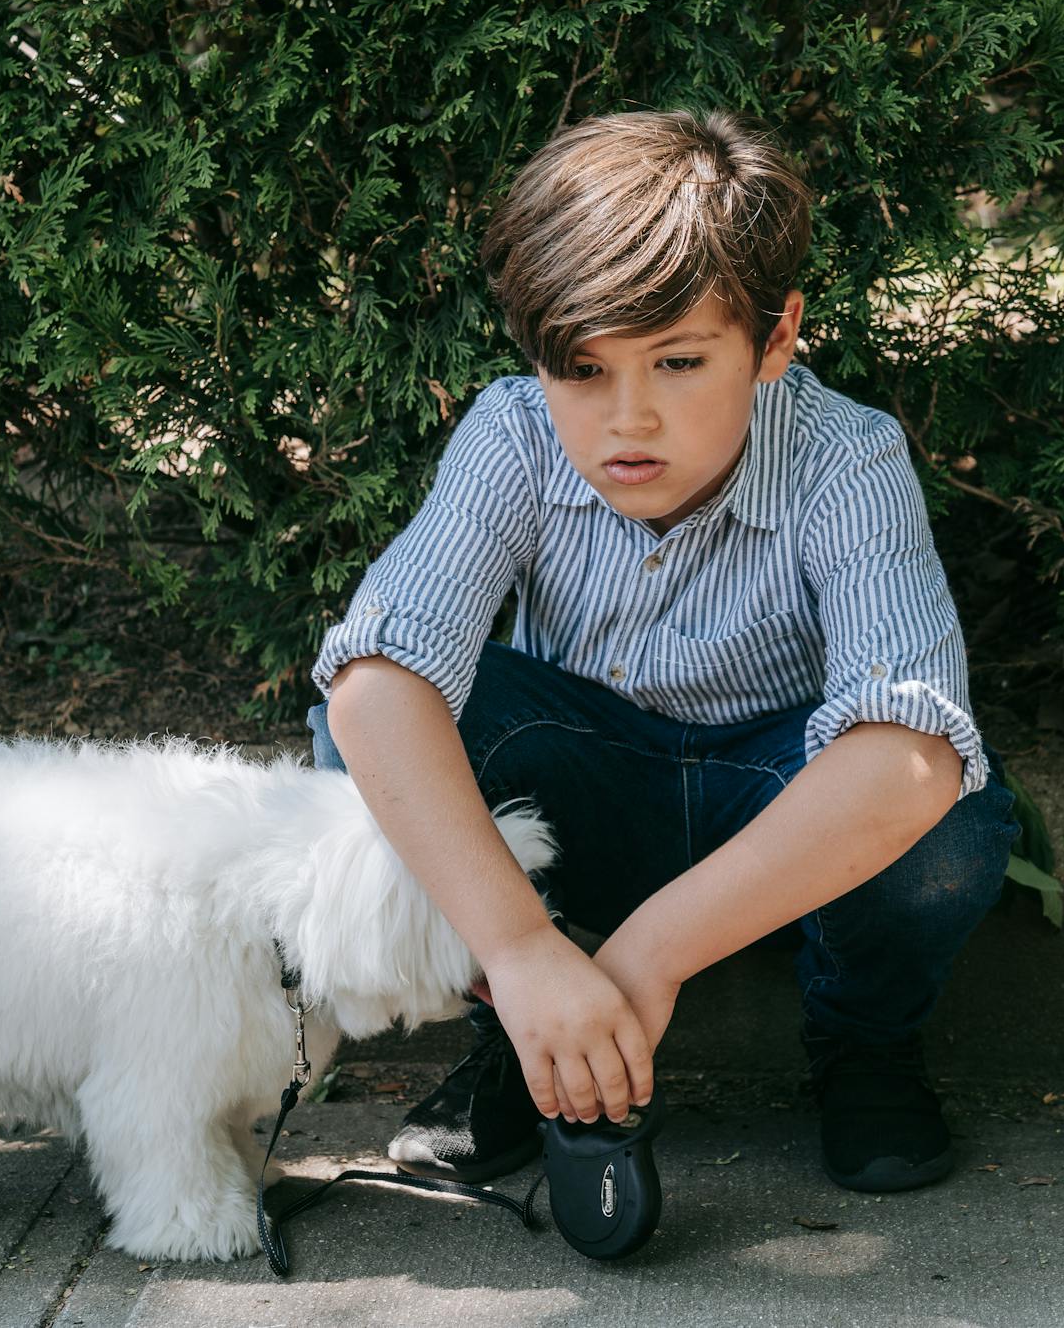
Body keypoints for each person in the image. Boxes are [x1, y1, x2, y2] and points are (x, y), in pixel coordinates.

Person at [305, 107, 1021, 1194]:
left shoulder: (849, 458)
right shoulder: (511, 433)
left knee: (949, 805)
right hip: (583, 795)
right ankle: (527, 1038)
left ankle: (863, 1043)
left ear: (775, 340)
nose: (625, 420)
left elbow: (908, 758)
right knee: (366, 722)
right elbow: (373, 692)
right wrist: (521, 952)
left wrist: (647, 957)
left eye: (679, 362)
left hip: (779, 813)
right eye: (582, 371)